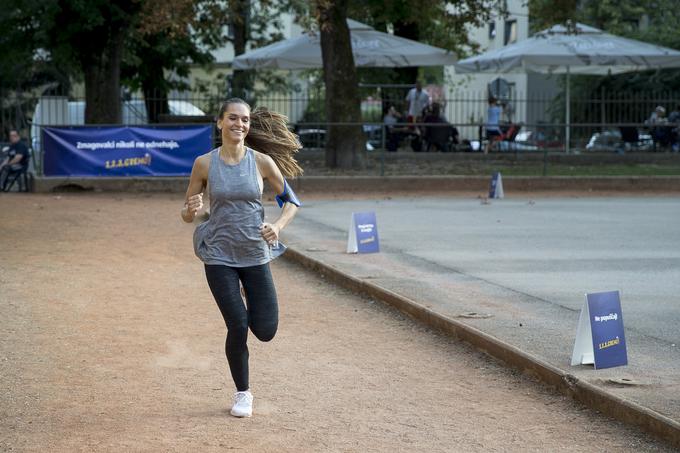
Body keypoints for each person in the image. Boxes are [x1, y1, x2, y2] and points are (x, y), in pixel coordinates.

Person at [181, 98, 303, 418]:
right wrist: (191, 210)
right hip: (218, 252)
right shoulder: (204, 164)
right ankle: (243, 393)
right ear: (219, 123)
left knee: (264, 330)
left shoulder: (261, 162)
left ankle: (249, 293)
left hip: (254, 252)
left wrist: (277, 226)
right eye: (233, 118)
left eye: (245, 120)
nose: (240, 124)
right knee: (237, 324)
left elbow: (291, 201)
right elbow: (188, 212)